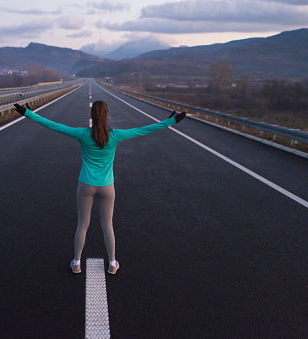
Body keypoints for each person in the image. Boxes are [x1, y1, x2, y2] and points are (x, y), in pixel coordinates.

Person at [14, 100, 186, 275]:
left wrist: (28, 113)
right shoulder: (116, 135)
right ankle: (112, 263)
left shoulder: (82, 134)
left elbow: (53, 125)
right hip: (107, 186)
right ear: (107, 114)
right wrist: (170, 121)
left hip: (85, 184)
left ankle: (77, 263)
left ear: (92, 116)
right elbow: (143, 130)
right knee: (107, 226)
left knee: (82, 225)